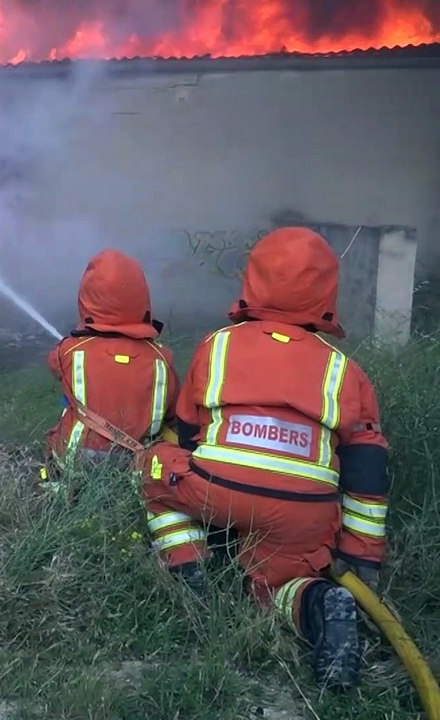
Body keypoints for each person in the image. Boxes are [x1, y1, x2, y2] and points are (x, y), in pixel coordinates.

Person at [140, 226, 389, 689]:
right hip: (304, 512)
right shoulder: (344, 370)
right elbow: (368, 470)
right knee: (276, 584)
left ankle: (191, 566)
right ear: (326, 292)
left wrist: (214, 496)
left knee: (154, 464)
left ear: (252, 282)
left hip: (220, 491)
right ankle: (314, 603)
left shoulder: (218, 345)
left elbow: (190, 431)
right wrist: (363, 555)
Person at [41, 249, 179, 492]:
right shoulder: (162, 358)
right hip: (136, 464)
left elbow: (54, 364)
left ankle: (58, 492)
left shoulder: (71, 351)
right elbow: (173, 413)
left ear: (87, 299)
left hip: (76, 461)